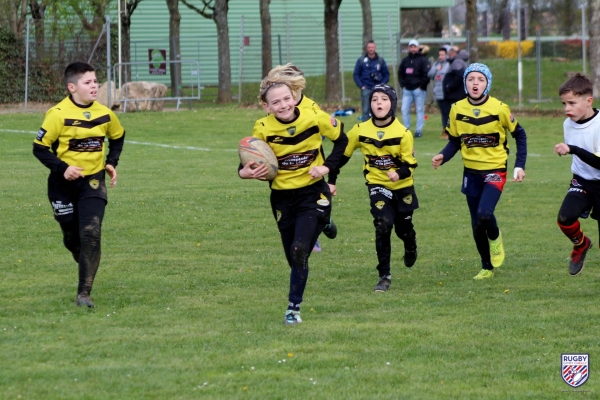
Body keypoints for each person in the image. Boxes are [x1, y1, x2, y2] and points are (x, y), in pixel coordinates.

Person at [238, 74, 348, 325]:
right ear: (267, 106)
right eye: (276, 102)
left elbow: (343, 139)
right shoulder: (263, 128)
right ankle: (325, 225)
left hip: (312, 191)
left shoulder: (314, 117)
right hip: (282, 198)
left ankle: (293, 309)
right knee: (293, 257)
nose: (283, 105)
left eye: (287, 99)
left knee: (299, 251)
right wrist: (244, 172)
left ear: (295, 97)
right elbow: (251, 161)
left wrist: (327, 167)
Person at [32, 61, 125, 307]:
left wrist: (111, 161)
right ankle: (79, 253)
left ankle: (84, 293)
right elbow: (39, 148)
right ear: (72, 87)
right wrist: (64, 168)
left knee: (91, 234)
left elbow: (117, 136)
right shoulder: (58, 114)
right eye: (88, 82)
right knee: (72, 238)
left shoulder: (105, 113)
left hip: (93, 182)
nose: (94, 86)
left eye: (95, 81)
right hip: (61, 185)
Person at [431, 63, 527, 280]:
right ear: (465, 83)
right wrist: (442, 156)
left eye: (480, 79)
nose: (475, 83)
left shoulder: (499, 108)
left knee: (485, 214)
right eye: (471, 79)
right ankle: (486, 267)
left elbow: (520, 135)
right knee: (476, 224)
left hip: (495, 170)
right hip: (471, 173)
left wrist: (519, 165)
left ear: (487, 83)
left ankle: (495, 237)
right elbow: (455, 141)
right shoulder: (457, 109)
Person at [328, 84, 418, 292]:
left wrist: (398, 174)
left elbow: (410, 164)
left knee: (404, 229)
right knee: (383, 224)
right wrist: (331, 178)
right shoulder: (360, 130)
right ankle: (384, 276)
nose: (379, 103)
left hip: (402, 186)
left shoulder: (403, 133)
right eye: (375, 99)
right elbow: (341, 155)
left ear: (392, 104)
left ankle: (410, 243)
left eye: (384, 99)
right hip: (377, 185)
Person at [262, 63, 338, 253]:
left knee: (309, 208)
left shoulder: (310, 107)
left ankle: (320, 226)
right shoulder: (278, 103)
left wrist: (330, 178)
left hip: (310, 169)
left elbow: (329, 139)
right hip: (286, 179)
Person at [554, 73, 600, 276]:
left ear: (589, 100)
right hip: (581, 181)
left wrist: (572, 149)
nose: (567, 109)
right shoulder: (568, 124)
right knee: (565, 218)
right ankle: (581, 244)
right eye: (564, 104)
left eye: (571, 103)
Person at [398, 39, 431, 138]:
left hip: (418, 89)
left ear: (418, 48)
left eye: (414, 47)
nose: (412, 49)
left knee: (419, 110)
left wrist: (421, 86)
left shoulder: (423, 60)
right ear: (409, 48)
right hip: (407, 89)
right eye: (411, 47)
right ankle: (406, 129)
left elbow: (427, 74)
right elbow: (400, 73)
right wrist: (402, 85)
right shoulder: (405, 60)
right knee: (404, 110)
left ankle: (418, 130)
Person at [353, 40, 390, 122]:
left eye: (372, 47)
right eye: (369, 47)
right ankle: (365, 130)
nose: (371, 49)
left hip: (378, 89)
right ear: (366, 48)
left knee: (377, 109)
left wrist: (382, 85)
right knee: (365, 110)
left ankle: (377, 127)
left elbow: (386, 74)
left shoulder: (380, 60)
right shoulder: (361, 60)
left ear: (375, 48)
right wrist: (361, 86)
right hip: (366, 88)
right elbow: (356, 74)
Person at [428, 46, 451, 138]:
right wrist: (436, 69)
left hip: (447, 93)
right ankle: (444, 131)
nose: (441, 56)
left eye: (443, 55)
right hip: (438, 93)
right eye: (440, 55)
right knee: (443, 113)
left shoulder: (449, 65)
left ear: (447, 55)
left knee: (448, 112)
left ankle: (449, 131)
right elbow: (429, 75)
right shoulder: (436, 64)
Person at [442, 46, 469, 115]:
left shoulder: (457, 62)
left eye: (451, 51)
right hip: (457, 95)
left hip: (454, 96)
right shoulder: (460, 62)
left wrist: (449, 87)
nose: (449, 53)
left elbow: (459, 76)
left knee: (453, 116)